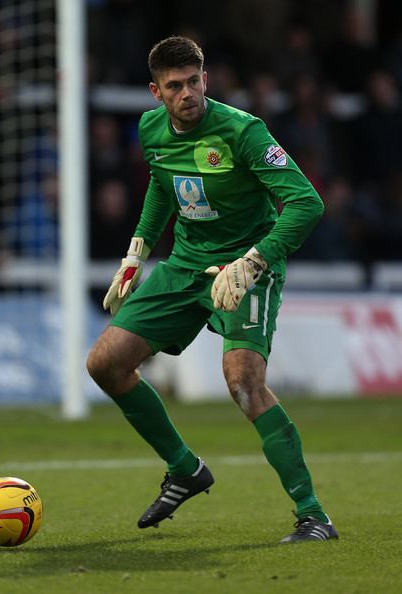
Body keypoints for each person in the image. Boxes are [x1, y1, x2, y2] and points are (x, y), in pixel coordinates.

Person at [86, 36, 338, 544]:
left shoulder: (244, 132)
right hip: (185, 263)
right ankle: (185, 468)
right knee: (104, 364)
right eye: (174, 86)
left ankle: (314, 516)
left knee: (243, 380)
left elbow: (308, 204)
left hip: (249, 264)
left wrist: (253, 260)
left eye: (194, 81)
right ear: (155, 92)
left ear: (207, 79)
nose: (187, 94)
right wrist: (136, 252)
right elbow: (162, 182)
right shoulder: (150, 127)